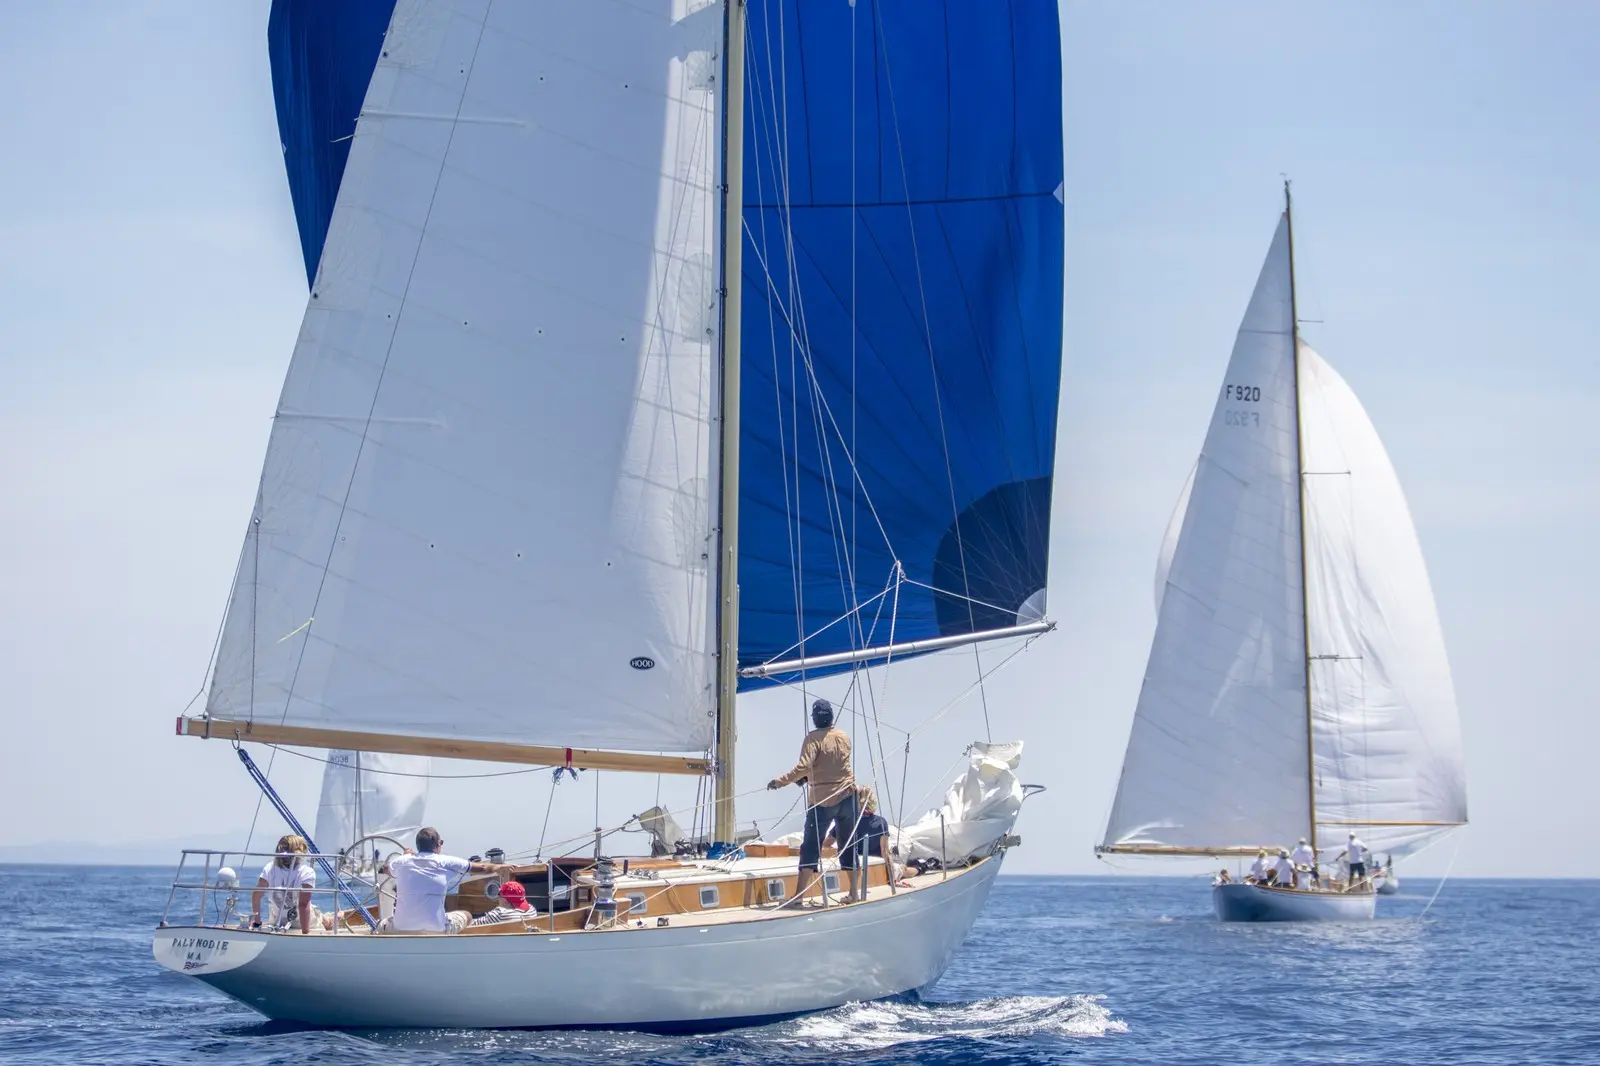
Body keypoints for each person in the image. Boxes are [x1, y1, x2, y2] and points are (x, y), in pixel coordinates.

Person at [767, 698, 856, 906]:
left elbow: (803, 767)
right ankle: (854, 893)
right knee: (848, 843)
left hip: (823, 802)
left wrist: (779, 782)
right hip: (848, 797)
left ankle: (799, 896)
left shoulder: (812, 739)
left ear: (815, 719)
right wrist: (808, 777)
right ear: (831, 717)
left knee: (810, 847)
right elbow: (834, 764)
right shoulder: (844, 737)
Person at [386, 827, 514, 933]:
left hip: (401, 928)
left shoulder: (402, 861)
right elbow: (483, 867)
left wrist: (406, 856)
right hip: (437, 929)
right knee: (467, 915)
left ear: (418, 846)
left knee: (383, 923)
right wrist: (500, 867)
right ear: (437, 845)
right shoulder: (445, 861)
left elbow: (385, 869)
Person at [251, 834, 317, 934]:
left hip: (276, 921)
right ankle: (333, 919)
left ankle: (332, 918)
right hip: (299, 923)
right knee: (320, 915)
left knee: (319, 913)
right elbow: (303, 905)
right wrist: (305, 933)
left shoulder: (270, 868)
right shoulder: (307, 872)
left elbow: (256, 896)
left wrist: (257, 922)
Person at [837, 785, 891, 902]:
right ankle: (923, 866)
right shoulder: (880, 822)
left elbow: (827, 844)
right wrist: (891, 878)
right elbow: (885, 851)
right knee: (902, 869)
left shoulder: (845, 822)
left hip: (857, 867)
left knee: (902, 869)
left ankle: (923, 865)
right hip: (878, 868)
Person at [469, 879, 533, 927]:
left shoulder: (500, 914)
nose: (498, 897)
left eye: (499, 894)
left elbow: (472, 926)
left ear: (505, 901)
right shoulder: (531, 909)